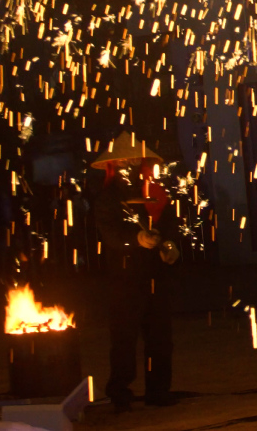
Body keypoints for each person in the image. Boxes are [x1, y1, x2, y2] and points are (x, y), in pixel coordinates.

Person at [92, 132, 181, 411]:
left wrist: (169, 245)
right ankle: (120, 391)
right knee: (124, 339)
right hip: (124, 276)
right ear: (115, 163)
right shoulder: (109, 197)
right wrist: (135, 240)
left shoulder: (155, 192)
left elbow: (168, 226)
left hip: (155, 274)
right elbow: (110, 234)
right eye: (125, 160)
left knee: (159, 338)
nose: (130, 163)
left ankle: (158, 391)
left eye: (135, 158)